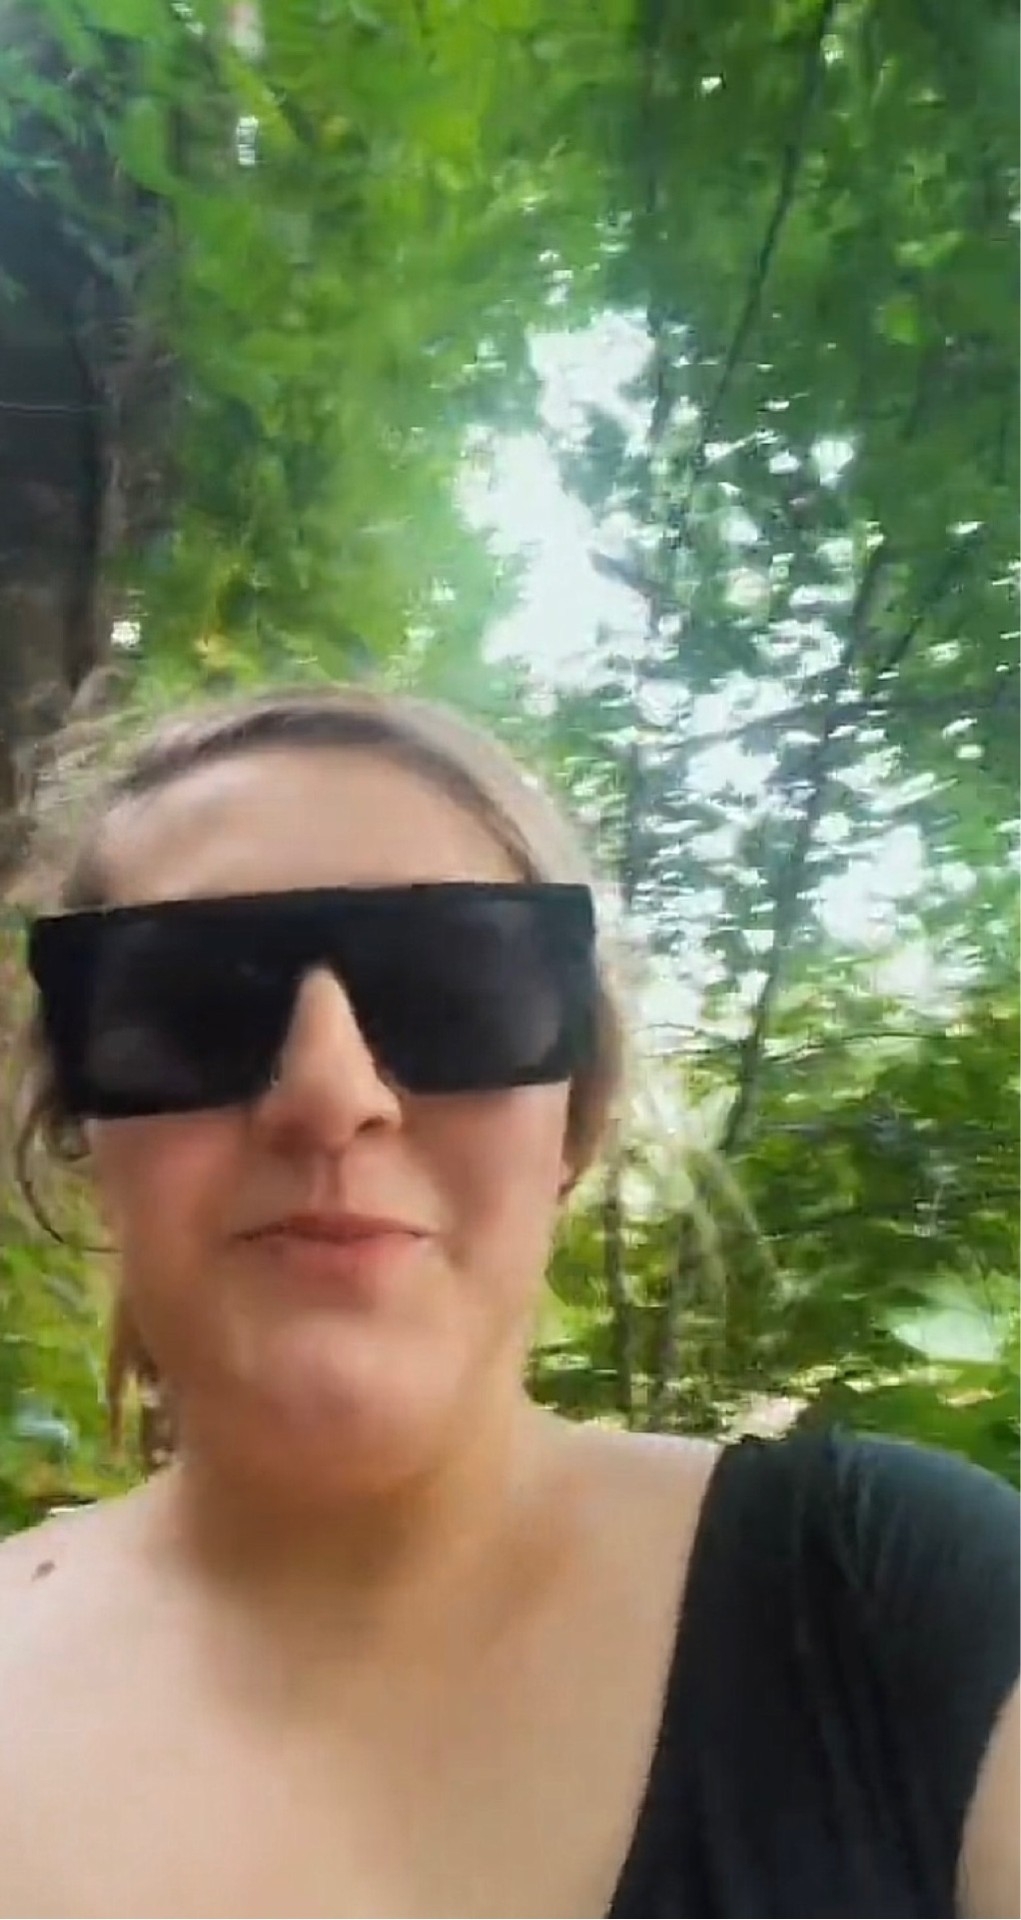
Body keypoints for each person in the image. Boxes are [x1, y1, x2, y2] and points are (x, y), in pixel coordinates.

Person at [0, 683, 1016, 1920]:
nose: (331, 1093)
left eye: (455, 993)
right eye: (193, 1007)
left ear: (572, 1122)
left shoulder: (897, 1608)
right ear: (83, 1132)